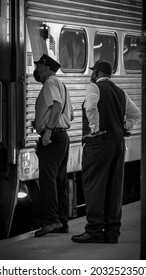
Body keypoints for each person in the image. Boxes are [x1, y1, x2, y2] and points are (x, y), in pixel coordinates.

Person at [71, 60, 141, 243]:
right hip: (117, 144)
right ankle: (111, 232)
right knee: (113, 187)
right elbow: (136, 114)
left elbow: (91, 106)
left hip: (98, 144)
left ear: (97, 73)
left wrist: (94, 129)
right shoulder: (120, 92)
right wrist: (124, 126)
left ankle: (94, 230)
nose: (91, 74)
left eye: (93, 71)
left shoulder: (94, 88)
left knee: (94, 186)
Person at [33, 53, 74, 237]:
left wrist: (47, 129)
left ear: (47, 68)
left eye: (39, 68)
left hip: (54, 136)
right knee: (59, 180)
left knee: (47, 179)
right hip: (62, 136)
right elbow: (70, 115)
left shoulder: (50, 82)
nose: (37, 71)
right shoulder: (62, 85)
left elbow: (56, 106)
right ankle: (62, 222)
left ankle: (51, 221)